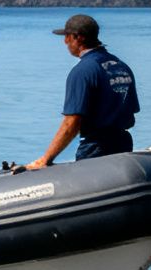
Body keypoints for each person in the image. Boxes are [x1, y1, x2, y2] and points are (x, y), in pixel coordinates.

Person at [31, 13, 139, 167]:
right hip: (123, 144)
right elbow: (131, 110)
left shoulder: (82, 72)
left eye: (67, 37)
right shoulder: (121, 66)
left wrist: (46, 159)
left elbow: (71, 123)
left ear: (78, 37)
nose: (65, 42)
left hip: (96, 147)